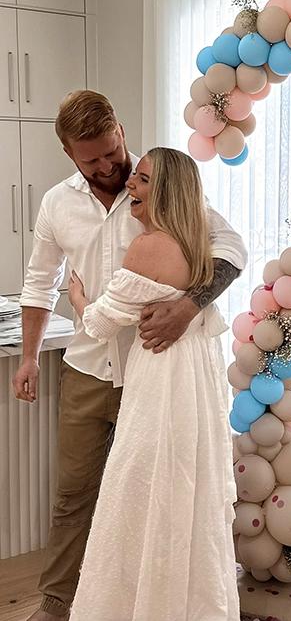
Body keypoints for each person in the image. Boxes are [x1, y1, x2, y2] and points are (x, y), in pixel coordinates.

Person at [13, 91, 247, 620]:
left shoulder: (159, 182)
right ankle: (58, 603)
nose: (107, 165)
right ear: (70, 154)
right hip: (90, 368)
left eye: (111, 149)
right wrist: (29, 357)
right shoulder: (57, 203)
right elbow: (38, 282)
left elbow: (231, 248)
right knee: (76, 495)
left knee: (158, 492)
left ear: (119, 129)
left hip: (157, 373)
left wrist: (189, 307)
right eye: (90, 158)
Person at [67, 147, 239, 620]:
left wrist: (79, 298)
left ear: (164, 189)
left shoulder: (148, 247)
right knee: (188, 485)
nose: (130, 186)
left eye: (141, 180)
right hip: (198, 380)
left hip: (162, 380)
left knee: (139, 486)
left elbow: (101, 324)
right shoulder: (201, 241)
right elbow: (235, 252)